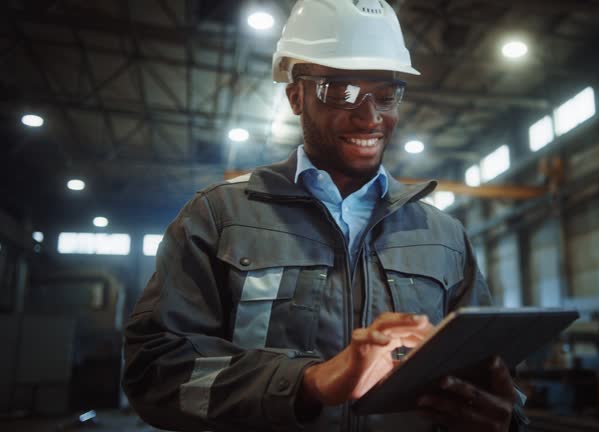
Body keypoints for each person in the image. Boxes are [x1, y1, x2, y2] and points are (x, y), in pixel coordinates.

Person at [122, 0, 528, 430]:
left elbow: (487, 372)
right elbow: (157, 372)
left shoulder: (443, 235)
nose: (370, 116)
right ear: (295, 96)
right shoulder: (220, 217)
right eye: (342, 91)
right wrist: (308, 383)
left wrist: (505, 418)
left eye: (386, 96)